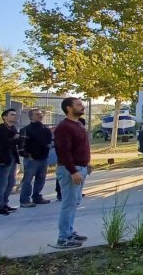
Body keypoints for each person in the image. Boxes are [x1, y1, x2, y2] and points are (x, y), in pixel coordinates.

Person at [54, 97, 90, 248]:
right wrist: (73, 171)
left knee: (74, 203)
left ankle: (69, 232)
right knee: (68, 203)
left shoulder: (78, 125)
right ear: (69, 108)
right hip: (70, 170)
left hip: (80, 168)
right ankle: (63, 238)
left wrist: (87, 164)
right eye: (79, 105)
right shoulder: (64, 127)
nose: (82, 107)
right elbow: (63, 152)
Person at [18, 109, 53, 207]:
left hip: (43, 158)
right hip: (31, 160)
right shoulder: (26, 130)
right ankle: (24, 200)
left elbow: (49, 142)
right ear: (31, 116)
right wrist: (28, 156)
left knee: (41, 179)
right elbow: (21, 147)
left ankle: (37, 197)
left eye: (41, 114)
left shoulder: (45, 129)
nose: (40, 116)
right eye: (37, 114)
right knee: (27, 180)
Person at [0, 108, 20, 215]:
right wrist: (15, 139)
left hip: (12, 157)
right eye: (12, 114)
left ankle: (5, 203)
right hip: (3, 159)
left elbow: (16, 141)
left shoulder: (13, 128)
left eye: (15, 114)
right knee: (2, 183)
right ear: (5, 117)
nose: (15, 116)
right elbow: (0, 144)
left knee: (11, 182)